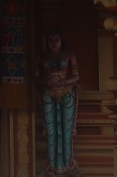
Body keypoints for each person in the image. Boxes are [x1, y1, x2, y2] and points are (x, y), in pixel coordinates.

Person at [39, 32, 79, 176]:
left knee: (66, 130)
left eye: (57, 40)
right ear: (46, 42)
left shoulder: (69, 56)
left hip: (67, 93)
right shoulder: (42, 57)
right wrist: (46, 82)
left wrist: (65, 82)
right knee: (51, 131)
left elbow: (76, 76)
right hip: (48, 93)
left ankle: (66, 165)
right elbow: (36, 77)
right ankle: (52, 166)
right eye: (50, 40)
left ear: (62, 41)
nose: (54, 43)